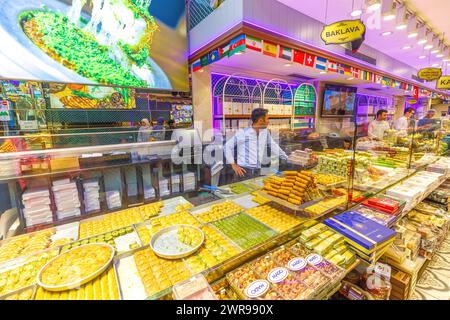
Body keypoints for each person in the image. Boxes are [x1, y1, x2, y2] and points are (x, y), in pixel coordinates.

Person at [224, 108, 287, 181]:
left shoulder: (265, 132)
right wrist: (233, 165)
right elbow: (227, 146)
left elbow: (273, 146)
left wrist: (286, 157)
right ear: (260, 120)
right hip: (244, 172)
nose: (268, 121)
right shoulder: (243, 133)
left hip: (257, 171)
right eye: (267, 119)